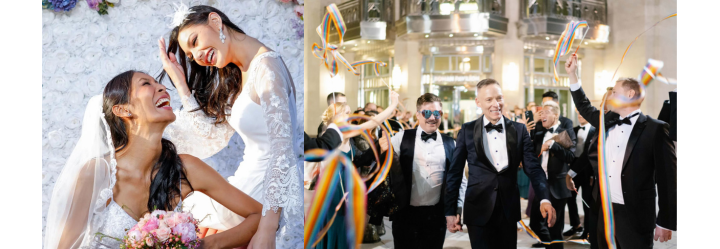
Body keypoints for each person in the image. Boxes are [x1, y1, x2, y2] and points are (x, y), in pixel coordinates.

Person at [44, 71, 263, 249]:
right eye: (145, 84)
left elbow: (259, 215)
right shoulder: (98, 172)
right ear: (123, 110)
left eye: (159, 83)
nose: (161, 87)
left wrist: (205, 245)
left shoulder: (186, 169)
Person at [157, 5, 302, 248]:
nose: (198, 57)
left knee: (192, 226)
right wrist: (181, 84)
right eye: (191, 56)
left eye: (195, 41)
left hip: (267, 194)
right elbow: (211, 137)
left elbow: (283, 151)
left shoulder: (267, 68)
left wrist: (267, 227)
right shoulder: (238, 73)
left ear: (215, 21)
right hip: (246, 186)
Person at [565, 54, 677, 248]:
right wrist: (572, 74)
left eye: (615, 91)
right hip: (603, 212)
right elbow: (583, 106)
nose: (610, 95)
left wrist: (665, 221)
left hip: (635, 214)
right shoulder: (605, 121)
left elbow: (669, 178)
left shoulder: (656, 129)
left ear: (630, 94)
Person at [445, 79, 557, 249]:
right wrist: (451, 211)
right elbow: (455, 173)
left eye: (499, 98)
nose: (496, 104)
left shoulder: (519, 131)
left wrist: (544, 199)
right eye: (489, 100)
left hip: (508, 210)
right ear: (478, 102)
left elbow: (533, 168)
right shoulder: (467, 131)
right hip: (478, 210)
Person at [386, 93, 467, 249]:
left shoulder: (451, 143)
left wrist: (456, 210)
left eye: (436, 113)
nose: (432, 117)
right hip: (405, 214)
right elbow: (383, 166)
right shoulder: (400, 138)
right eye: (427, 113)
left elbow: (460, 180)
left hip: (436, 215)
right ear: (418, 115)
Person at [530, 101, 577, 249]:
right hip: (541, 184)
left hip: (557, 186)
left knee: (555, 228)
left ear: (556, 115)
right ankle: (548, 244)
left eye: (546, 112)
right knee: (535, 223)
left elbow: (570, 157)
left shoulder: (565, 132)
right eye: (541, 112)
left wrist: (552, 145)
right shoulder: (538, 134)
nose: (542, 114)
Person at [563, 110, 596, 240]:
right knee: (570, 199)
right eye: (578, 114)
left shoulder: (595, 130)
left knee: (587, 201)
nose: (580, 115)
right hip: (573, 169)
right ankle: (575, 225)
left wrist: (593, 175)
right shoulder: (573, 130)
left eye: (583, 113)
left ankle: (588, 230)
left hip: (588, 171)